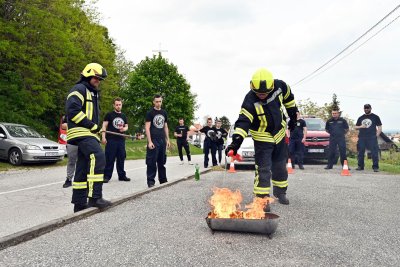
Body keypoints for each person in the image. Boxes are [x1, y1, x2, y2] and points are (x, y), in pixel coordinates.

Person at [225, 68, 298, 206]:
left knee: (280, 166)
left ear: (271, 87)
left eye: (265, 93)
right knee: (263, 169)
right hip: (262, 137)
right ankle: (262, 200)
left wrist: (293, 116)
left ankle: (280, 192)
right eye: (259, 93)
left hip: (279, 133)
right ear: (253, 87)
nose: (262, 95)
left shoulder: (280, 86)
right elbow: (243, 122)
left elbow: (289, 100)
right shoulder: (249, 101)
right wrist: (235, 143)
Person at [66, 63, 111, 212]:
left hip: (87, 132)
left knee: (83, 165)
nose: (98, 81)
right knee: (98, 156)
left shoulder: (92, 92)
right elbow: (72, 111)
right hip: (81, 131)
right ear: (87, 74)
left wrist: (95, 129)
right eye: (96, 78)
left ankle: (79, 203)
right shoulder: (79, 89)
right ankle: (95, 198)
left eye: (100, 79)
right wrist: (92, 126)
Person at [102, 97, 131, 182]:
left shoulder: (123, 116)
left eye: (120, 105)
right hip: (111, 140)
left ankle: (122, 176)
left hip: (121, 140)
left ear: (122, 105)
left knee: (121, 158)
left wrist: (124, 129)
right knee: (109, 158)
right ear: (113, 105)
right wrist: (103, 137)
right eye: (117, 105)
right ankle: (107, 176)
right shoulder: (109, 115)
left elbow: (126, 126)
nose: (118, 106)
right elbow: (104, 126)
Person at [145, 94, 171, 188]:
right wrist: (150, 141)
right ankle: (151, 181)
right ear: (153, 102)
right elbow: (147, 128)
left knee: (162, 161)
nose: (158, 103)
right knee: (151, 161)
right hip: (153, 140)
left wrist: (167, 140)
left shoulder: (164, 112)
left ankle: (163, 180)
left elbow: (166, 127)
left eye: (160, 101)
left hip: (162, 140)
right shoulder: (150, 113)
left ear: (161, 101)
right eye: (156, 101)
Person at [355, 104, 382, 172]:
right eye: (365, 108)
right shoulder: (361, 117)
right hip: (362, 137)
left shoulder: (375, 117)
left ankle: (375, 167)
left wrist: (377, 135)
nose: (366, 109)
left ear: (370, 108)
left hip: (372, 137)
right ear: (363, 109)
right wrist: (361, 126)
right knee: (360, 152)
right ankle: (360, 166)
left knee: (374, 153)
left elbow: (379, 126)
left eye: (367, 108)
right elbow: (355, 127)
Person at [61, 115, 78, 188]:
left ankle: (81, 179)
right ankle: (69, 179)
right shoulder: (68, 114)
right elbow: (63, 126)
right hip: (72, 141)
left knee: (83, 161)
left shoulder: (85, 111)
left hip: (84, 141)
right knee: (71, 161)